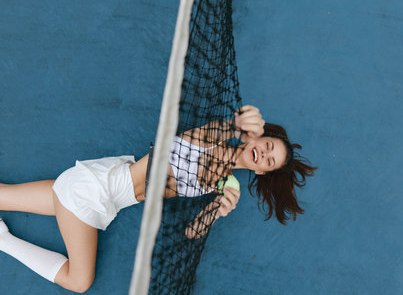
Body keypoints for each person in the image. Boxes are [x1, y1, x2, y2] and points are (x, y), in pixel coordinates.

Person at [0, 105, 316, 293]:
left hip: (104, 186)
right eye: (269, 146)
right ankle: (3, 241)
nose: (265, 155)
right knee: (80, 281)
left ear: (261, 171)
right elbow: (186, 143)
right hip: (91, 193)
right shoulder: (213, 139)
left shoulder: (225, 185)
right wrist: (235, 124)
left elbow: (192, 232)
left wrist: (215, 212)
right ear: (258, 139)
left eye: (269, 161)